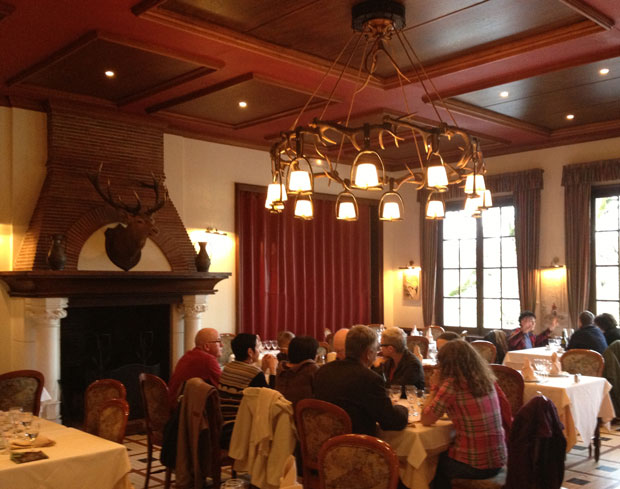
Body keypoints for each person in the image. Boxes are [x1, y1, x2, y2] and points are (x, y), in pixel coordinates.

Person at [422, 340, 506, 489]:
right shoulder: (485, 379)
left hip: (474, 466)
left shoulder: (452, 384)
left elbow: (426, 419)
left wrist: (434, 386)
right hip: (498, 459)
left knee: (430, 464)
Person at [314, 325, 408, 436]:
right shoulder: (369, 379)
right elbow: (391, 422)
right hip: (356, 446)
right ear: (368, 354)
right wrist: (403, 409)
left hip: (324, 444)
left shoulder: (322, 372)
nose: (376, 356)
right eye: (375, 351)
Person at [218, 333, 277, 447]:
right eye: (258, 346)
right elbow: (271, 399)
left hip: (222, 424)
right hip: (238, 428)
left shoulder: (228, 367)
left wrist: (263, 369)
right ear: (250, 352)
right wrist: (273, 370)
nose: (259, 350)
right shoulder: (254, 373)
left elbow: (255, 388)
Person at [168, 328, 222, 405]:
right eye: (218, 341)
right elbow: (223, 387)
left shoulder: (187, 355)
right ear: (207, 346)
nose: (222, 345)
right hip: (183, 411)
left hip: (175, 405)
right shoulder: (208, 360)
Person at [275, 336, 320, 407]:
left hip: (280, 411)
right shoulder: (311, 368)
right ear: (311, 354)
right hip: (301, 413)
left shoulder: (281, 368)